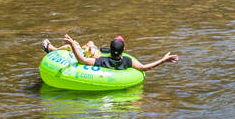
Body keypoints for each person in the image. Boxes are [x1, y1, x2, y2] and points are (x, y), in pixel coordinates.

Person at [42, 32, 179, 72]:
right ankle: (88, 47)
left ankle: (51, 49)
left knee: (79, 45)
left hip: (99, 58)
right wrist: (163, 60)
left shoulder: (102, 61)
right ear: (123, 51)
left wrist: (72, 44)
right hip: (106, 58)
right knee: (90, 44)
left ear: (110, 49)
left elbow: (81, 61)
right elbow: (144, 67)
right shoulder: (127, 61)